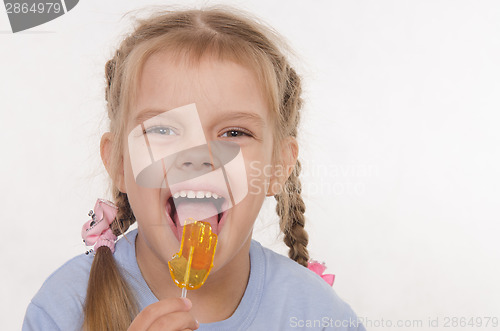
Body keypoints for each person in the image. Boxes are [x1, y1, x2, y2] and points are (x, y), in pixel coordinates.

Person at [23, 7, 366, 331]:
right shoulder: (63, 307)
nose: (198, 156)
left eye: (234, 133)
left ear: (278, 167)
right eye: (163, 130)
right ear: (120, 163)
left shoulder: (319, 316)